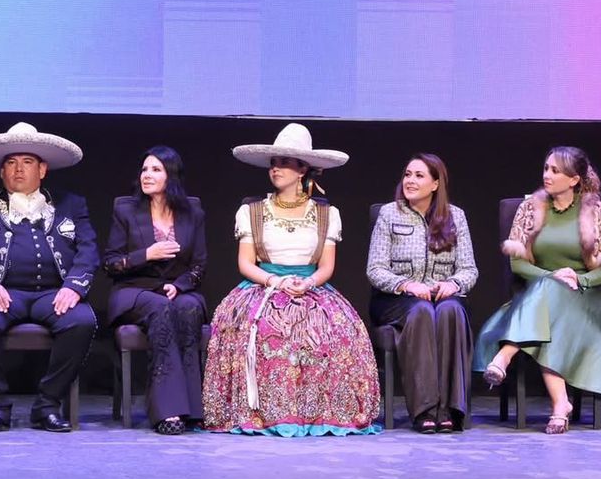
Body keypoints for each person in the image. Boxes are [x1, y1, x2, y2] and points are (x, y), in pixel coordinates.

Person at [202, 123, 381, 436]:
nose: (276, 169)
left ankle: (318, 412)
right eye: (274, 162)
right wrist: (275, 282)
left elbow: (326, 266)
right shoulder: (252, 211)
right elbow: (245, 263)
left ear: (303, 170)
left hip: (311, 286)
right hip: (263, 285)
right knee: (266, 329)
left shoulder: (327, 214)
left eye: (284, 163)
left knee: (327, 332)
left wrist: (307, 284)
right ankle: (264, 412)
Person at [474, 146, 601, 433]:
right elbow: (518, 265)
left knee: (550, 308)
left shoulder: (595, 211)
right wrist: (552, 276)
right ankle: (560, 405)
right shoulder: (531, 209)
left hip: (587, 300)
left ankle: (504, 356)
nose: (546, 175)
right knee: (550, 314)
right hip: (539, 299)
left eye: (555, 171)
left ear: (574, 179)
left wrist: (580, 279)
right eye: (546, 168)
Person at [0, 122, 98, 433]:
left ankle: (48, 404)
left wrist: (74, 287)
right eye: (11, 162)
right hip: (4, 293)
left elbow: (88, 249)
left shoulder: (71, 204)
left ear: (43, 169)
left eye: (27, 162)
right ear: (1, 172)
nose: (18, 170)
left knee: (82, 322)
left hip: (53, 293)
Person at [366, 154, 478, 433]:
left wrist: (452, 284)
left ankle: (450, 409)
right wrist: (407, 285)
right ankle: (425, 408)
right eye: (407, 174)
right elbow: (375, 269)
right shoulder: (389, 214)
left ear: (435, 184)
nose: (410, 181)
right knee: (421, 310)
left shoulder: (456, 216)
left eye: (419, 176)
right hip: (395, 300)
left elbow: (469, 270)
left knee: (452, 310)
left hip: (441, 297)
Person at [103, 146, 207, 435]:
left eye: (156, 169)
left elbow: (199, 265)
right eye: (145, 169)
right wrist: (146, 254)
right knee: (159, 308)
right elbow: (110, 264)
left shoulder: (192, 211)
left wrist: (179, 285)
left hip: (177, 289)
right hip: (134, 291)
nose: (147, 175)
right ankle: (168, 410)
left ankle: (193, 410)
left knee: (188, 308)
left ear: (171, 176)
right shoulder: (126, 209)